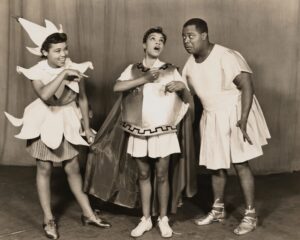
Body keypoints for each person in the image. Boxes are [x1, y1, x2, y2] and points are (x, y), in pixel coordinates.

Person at [84, 26, 197, 238]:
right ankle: (145, 219)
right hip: (138, 130)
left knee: (162, 175)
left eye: (161, 40)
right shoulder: (133, 69)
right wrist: (144, 80)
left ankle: (163, 218)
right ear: (144, 44)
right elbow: (117, 87)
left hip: (163, 131)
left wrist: (180, 88)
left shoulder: (171, 70)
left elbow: (188, 102)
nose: (157, 43)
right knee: (144, 174)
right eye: (153, 39)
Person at [5, 18, 111, 240]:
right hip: (44, 122)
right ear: (45, 52)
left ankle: (88, 213)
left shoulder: (75, 67)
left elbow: (82, 99)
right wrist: (63, 74)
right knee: (44, 168)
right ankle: (48, 218)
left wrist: (87, 126)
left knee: (72, 168)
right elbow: (45, 97)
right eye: (57, 51)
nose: (63, 55)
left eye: (65, 49)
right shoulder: (36, 72)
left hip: (67, 121)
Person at [181, 18, 271, 235]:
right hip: (211, 116)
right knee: (216, 165)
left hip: (234, 113)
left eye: (190, 36)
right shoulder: (190, 63)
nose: (186, 41)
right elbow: (187, 93)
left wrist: (243, 118)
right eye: (183, 37)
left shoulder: (226, 55)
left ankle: (250, 215)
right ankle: (218, 209)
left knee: (240, 164)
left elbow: (247, 85)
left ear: (204, 35)